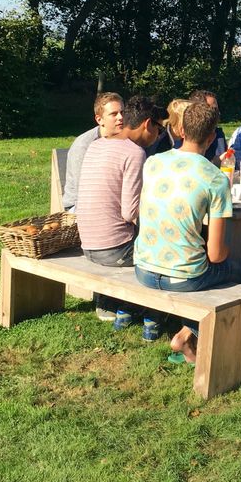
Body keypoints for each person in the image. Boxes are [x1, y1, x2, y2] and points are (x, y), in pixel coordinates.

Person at [134, 101, 241, 363]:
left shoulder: (153, 162)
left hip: (143, 268)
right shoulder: (215, 179)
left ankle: (188, 332)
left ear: (181, 131)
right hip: (184, 277)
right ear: (211, 138)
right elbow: (217, 254)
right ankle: (191, 332)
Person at [76, 96, 164, 320]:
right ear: (148, 124)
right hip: (116, 250)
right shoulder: (134, 153)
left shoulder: (96, 145)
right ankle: (154, 309)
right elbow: (129, 212)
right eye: (160, 129)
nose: (159, 136)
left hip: (87, 245)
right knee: (171, 247)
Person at [62, 92, 123, 212]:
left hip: (113, 201)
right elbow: (84, 191)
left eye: (122, 112)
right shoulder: (84, 145)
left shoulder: (124, 140)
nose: (120, 117)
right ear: (99, 119)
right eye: (114, 114)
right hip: (80, 206)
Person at [189, 89, 227, 163]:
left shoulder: (219, 135)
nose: (218, 113)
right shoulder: (189, 136)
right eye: (213, 109)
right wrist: (217, 161)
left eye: (217, 110)